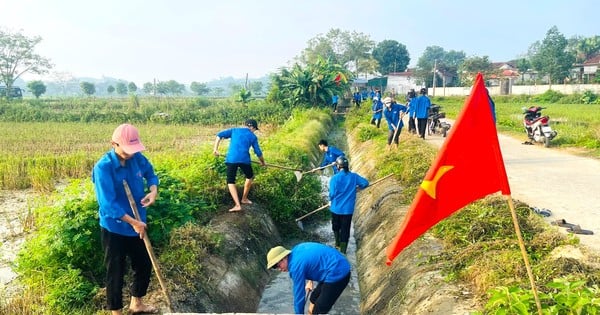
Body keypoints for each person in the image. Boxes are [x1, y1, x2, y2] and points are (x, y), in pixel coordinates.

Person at [92, 123, 159, 315]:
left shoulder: (137, 158)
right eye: (126, 149)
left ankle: (136, 303)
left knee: (143, 264)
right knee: (115, 272)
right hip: (115, 227)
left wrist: (153, 191)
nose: (131, 154)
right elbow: (108, 205)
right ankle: (116, 312)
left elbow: (151, 174)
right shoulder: (103, 168)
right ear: (113, 143)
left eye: (133, 149)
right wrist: (133, 222)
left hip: (138, 223)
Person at [267, 242, 351, 315]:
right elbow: (313, 260)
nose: (279, 269)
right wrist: (310, 280)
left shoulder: (295, 267)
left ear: (283, 258)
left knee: (319, 309)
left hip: (339, 272)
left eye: (278, 266)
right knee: (313, 298)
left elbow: (299, 296)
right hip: (336, 263)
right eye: (275, 267)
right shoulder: (296, 250)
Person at [213, 119, 265, 212]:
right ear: (252, 127)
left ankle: (237, 205)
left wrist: (215, 149)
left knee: (230, 181)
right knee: (250, 176)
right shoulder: (252, 136)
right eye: (255, 129)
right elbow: (258, 152)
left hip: (231, 159)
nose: (254, 131)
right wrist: (262, 162)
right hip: (244, 160)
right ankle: (244, 198)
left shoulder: (234, 130)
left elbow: (219, 135)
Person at [329, 156, 369, 254]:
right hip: (348, 210)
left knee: (335, 227)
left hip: (336, 209)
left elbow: (332, 194)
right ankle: (343, 252)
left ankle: (337, 244)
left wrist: (330, 199)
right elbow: (365, 183)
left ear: (338, 166)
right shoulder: (354, 177)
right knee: (345, 230)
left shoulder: (334, 178)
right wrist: (357, 188)